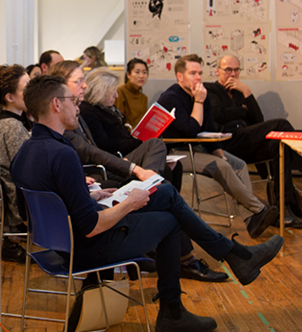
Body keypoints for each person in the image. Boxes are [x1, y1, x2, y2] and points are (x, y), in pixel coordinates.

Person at [11, 75, 284, 331]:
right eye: (72, 101)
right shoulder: (62, 154)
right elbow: (91, 227)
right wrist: (129, 203)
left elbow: (32, 212)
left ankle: (233, 258)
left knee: (164, 193)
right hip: (85, 247)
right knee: (170, 219)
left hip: (57, 243)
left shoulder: (26, 151)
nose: (78, 108)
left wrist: (92, 196)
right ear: (56, 105)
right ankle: (177, 308)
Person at [49, 61, 225, 282]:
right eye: (79, 81)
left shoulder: (62, 126)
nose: (84, 86)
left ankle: (200, 255)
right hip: (97, 193)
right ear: (58, 96)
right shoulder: (68, 125)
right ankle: (200, 258)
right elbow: (91, 152)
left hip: (93, 190)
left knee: (162, 173)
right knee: (166, 196)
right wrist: (132, 168)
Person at [205, 54, 302, 228]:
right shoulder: (210, 89)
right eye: (228, 70)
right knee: (281, 124)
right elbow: (220, 114)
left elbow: (257, 120)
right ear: (217, 71)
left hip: (245, 140)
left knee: (279, 145)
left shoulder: (241, 92)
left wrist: (247, 93)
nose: (232, 74)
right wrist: (242, 111)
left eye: (236, 70)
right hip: (226, 142)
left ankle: (284, 209)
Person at [158, 54, 278, 239]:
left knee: (237, 164)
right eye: (192, 73)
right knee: (221, 166)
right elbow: (191, 130)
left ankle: (251, 220)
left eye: (200, 73)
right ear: (180, 76)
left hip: (200, 147)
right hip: (178, 152)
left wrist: (220, 154)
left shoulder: (202, 94)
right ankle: (259, 209)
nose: (198, 77)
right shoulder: (170, 97)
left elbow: (209, 129)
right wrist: (198, 101)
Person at [0, 65, 30, 262]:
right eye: (26, 87)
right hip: (20, 202)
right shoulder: (11, 126)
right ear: (10, 97)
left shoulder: (12, 123)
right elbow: (26, 172)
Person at [114, 58, 149, 128]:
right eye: (137, 72)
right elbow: (118, 120)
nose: (141, 76)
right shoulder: (120, 91)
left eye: (144, 72)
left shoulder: (144, 98)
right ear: (128, 75)